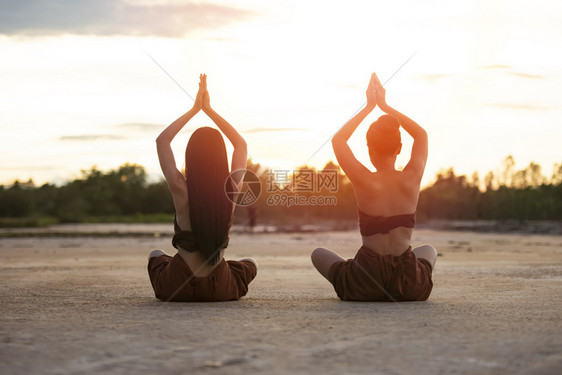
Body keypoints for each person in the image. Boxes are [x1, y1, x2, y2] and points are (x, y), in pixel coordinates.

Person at [311, 73, 437, 301]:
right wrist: (385, 106)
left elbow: (338, 140)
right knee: (429, 250)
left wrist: (369, 106)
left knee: (318, 254)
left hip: (366, 281)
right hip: (408, 283)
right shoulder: (412, 177)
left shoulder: (363, 178)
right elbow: (420, 135)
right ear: (399, 148)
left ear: (369, 149)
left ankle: (356, 277)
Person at [148, 74, 258, 302]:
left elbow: (162, 142)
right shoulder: (232, 189)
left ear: (191, 158)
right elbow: (241, 144)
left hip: (179, 286)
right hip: (219, 288)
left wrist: (195, 109)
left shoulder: (180, 188)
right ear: (221, 159)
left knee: (156, 255)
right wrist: (209, 110)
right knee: (250, 264)